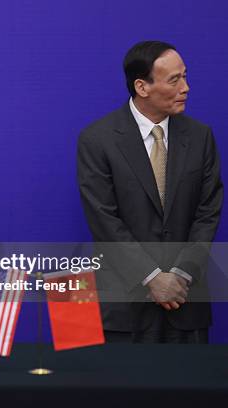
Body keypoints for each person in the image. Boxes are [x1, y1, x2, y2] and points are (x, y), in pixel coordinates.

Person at [77, 41, 223, 343]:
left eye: (185, 76)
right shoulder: (98, 139)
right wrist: (153, 277)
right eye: (174, 80)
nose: (186, 87)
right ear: (142, 87)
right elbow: (104, 220)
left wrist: (181, 274)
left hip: (186, 304)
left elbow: (208, 213)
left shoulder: (200, 137)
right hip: (123, 309)